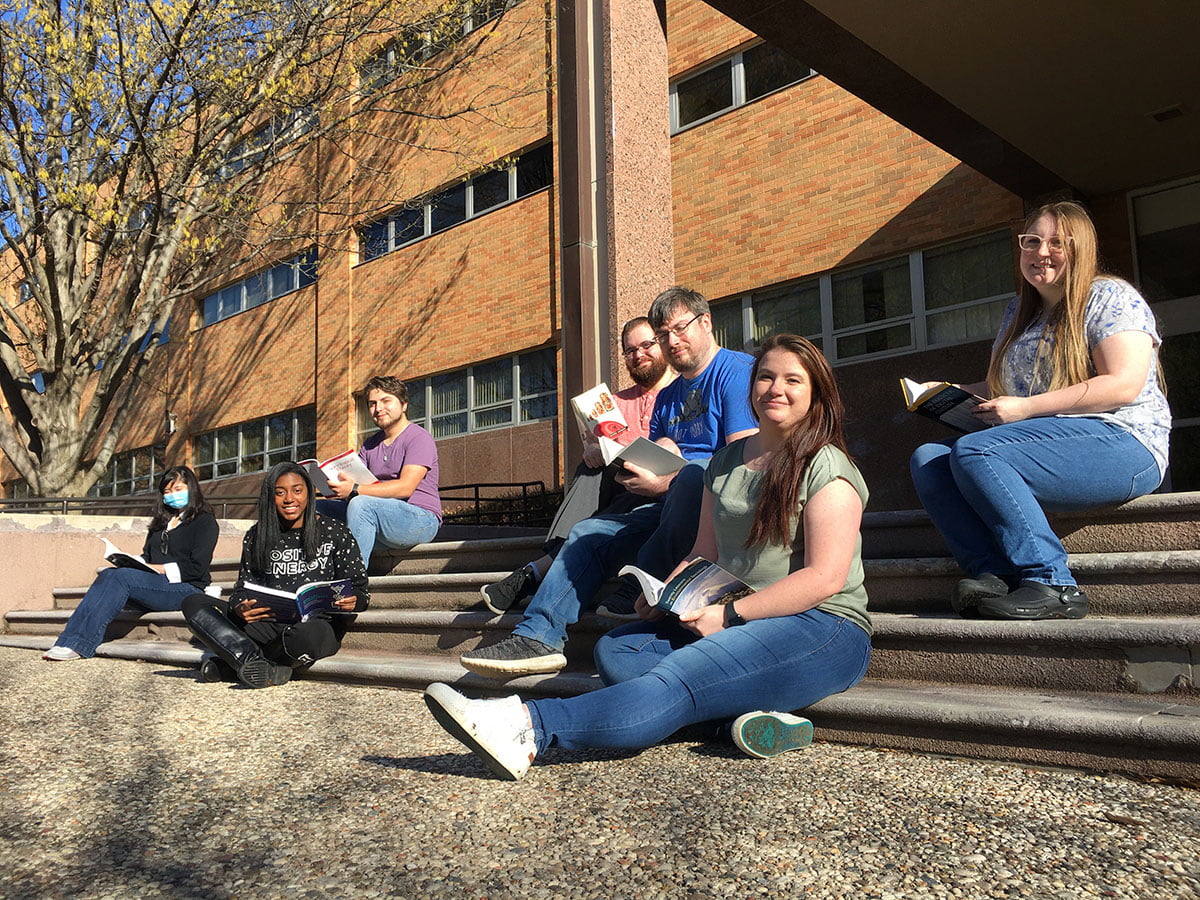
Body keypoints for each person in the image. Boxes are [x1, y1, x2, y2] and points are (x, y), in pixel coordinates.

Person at [424, 334, 872, 779]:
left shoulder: (825, 464)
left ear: (816, 393)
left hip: (823, 627)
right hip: (741, 614)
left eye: (793, 380)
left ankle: (526, 728)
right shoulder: (724, 462)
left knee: (677, 677)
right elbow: (703, 552)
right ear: (751, 386)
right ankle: (735, 722)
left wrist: (730, 615)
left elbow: (824, 577)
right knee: (618, 651)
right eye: (767, 377)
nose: (776, 389)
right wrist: (670, 594)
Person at [459, 286, 758, 677]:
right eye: (664, 334)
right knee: (588, 531)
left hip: (711, 508)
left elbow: (744, 461)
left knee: (690, 478)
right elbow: (664, 448)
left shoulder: (737, 372)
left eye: (679, 329)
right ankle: (538, 636)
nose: (672, 341)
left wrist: (666, 479)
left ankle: (644, 575)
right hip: (663, 507)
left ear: (706, 323)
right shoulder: (669, 396)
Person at [909, 201, 1171, 621]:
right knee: (929, 460)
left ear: (1080, 249)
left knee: (977, 451)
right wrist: (951, 393)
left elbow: (1123, 384)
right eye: (1031, 241)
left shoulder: (1109, 296)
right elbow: (1008, 391)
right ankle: (992, 575)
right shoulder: (1019, 311)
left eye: (1056, 243)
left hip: (1126, 443)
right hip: (1047, 442)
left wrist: (1025, 408)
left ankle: (1053, 583)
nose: (1040, 252)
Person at [480, 316, 675, 614]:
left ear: (662, 343)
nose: (638, 355)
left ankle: (534, 572)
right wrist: (591, 452)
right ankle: (558, 558)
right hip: (618, 486)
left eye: (646, 345)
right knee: (590, 468)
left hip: (662, 490)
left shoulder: (681, 394)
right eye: (630, 350)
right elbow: (597, 450)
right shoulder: (612, 402)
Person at [183, 461, 369, 688]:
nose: (289, 499)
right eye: (280, 493)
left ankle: (235, 664)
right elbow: (242, 588)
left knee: (305, 637)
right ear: (270, 497)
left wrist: (353, 600)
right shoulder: (256, 535)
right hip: (265, 624)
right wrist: (240, 607)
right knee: (194, 603)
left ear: (309, 494)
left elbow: (360, 589)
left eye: (297, 491)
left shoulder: (334, 531)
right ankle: (259, 664)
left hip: (315, 625)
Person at [43, 466, 219, 661]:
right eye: (167, 492)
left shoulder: (205, 522)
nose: (172, 495)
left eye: (178, 489)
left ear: (191, 488)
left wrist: (157, 569)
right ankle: (66, 640)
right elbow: (147, 556)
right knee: (109, 573)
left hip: (188, 588)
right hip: (157, 585)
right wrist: (133, 561)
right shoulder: (161, 523)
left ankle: (80, 644)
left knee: (121, 578)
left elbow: (197, 567)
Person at [317, 375, 442, 567]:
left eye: (386, 401)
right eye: (372, 404)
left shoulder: (419, 438)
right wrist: (331, 485)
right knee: (315, 508)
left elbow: (405, 488)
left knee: (362, 504)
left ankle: (353, 584)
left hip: (420, 519)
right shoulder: (369, 445)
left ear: (404, 405)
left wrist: (354, 489)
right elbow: (354, 485)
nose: (378, 409)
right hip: (375, 517)